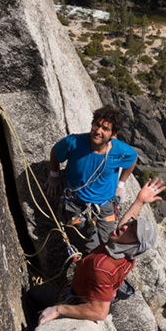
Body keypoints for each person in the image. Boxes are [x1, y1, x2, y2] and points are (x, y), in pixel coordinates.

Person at [32, 177, 165, 325]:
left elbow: (99, 313)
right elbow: (126, 223)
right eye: (131, 225)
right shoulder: (127, 254)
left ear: (134, 245)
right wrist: (140, 201)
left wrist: (58, 310)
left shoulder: (102, 266)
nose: (124, 228)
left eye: (132, 233)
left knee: (33, 295)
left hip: (76, 299)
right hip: (85, 290)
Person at [47, 105, 138, 253]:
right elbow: (55, 152)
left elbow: (133, 159)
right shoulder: (74, 143)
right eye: (97, 125)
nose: (98, 131)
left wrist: (120, 185)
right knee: (92, 250)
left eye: (105, 129)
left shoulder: (120, 151)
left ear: (114, 134)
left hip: (104, 205)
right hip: (76, 204)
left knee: (110, 246)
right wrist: (54, 175)